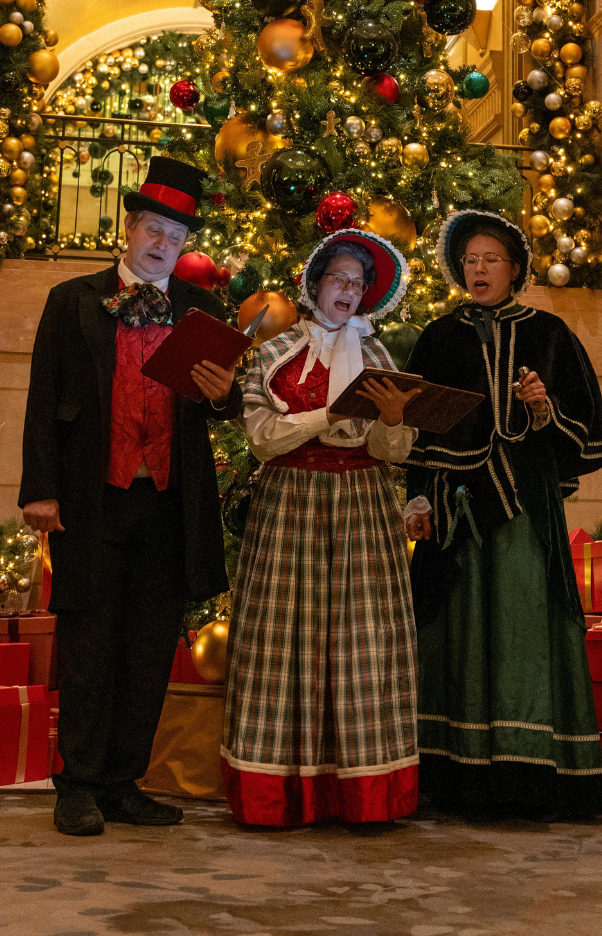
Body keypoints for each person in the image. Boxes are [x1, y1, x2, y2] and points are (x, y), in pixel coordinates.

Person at [20, 155, 242, 837]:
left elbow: (227, 401)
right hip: (92, 497)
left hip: (170, 505)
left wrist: (222, 392)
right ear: (129, 227)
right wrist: (40, 490)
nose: (160, 246)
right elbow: (41, 399)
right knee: (90, 642)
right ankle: (77, 784)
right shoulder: (73, 300)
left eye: (174, 239)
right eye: (152, 230)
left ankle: (123, 782)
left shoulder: (201, 310)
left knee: (149, 647)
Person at [404, 210, 602, 820]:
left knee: (522, 626)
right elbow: (415, 425)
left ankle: (529, 774)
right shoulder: (438, 338)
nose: (479, 269)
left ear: (516, 268)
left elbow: (586, 434)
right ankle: (456, 773)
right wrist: (419, 498)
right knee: (460, 627)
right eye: (470, 260)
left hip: (525, 505)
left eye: (491, 259)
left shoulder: (549, 333)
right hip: (456, 509)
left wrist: (543, 407)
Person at [222, 228, 420, 826]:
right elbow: (261, 440)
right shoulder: (272, 353)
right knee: (284, 644)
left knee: (365, 642)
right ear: (314, 284)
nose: (347, 291)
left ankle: (364, 792)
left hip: (364, 508)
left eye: (357, 283)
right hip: (291, 506)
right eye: (337, 279)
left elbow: (393, 451)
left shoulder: (381, 358)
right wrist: (325, 416)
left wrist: (390, 421)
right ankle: (278, 792)